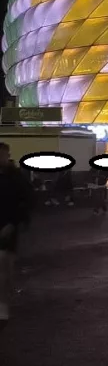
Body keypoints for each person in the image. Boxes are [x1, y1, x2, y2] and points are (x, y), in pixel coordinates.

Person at [0, 143, 33, 335]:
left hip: (8, 229)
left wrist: (14, 223)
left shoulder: (16, 177)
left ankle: (4, 305)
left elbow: (27, 200)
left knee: (4, 267)